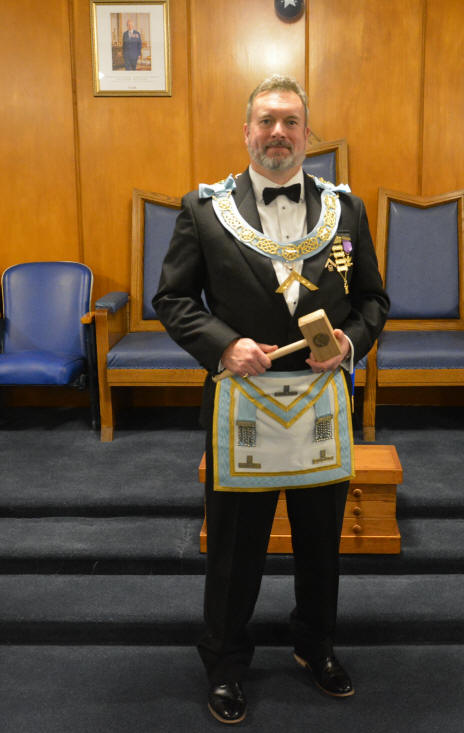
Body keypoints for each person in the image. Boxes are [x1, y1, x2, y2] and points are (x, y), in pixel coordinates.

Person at [153, 74, 389, 724]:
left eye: (290, 122)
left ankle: (316, 645)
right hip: (242, 404)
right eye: (266, 121)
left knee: (320, 541)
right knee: (235, 547)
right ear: (247, 132)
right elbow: (171, 299)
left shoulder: (346, 211)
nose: (278, 133)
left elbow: (373, 300)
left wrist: (351, 342)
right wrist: (224, 345)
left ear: (308, 135)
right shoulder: (204, 210)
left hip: (320, 404)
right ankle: (226, 663)